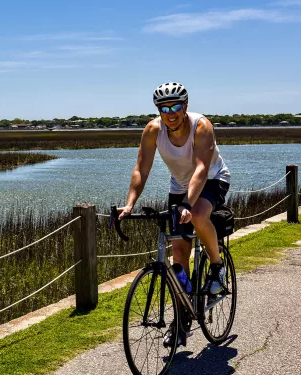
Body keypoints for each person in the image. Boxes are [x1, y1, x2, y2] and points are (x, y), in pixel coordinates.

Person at [117, 82, 231, 345]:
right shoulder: (153, 130)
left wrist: (188, 205)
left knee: (200, 214)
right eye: (164, 108)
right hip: (179, 185)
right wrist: (130, 204)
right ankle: (181, 321)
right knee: (179, 255)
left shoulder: (202, 126)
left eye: (176, 106)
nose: (171, 112)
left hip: (213, 179)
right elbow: (141, 169)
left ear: (185, 107)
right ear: (159, 110)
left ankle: (216, 266)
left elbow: (201, 168)